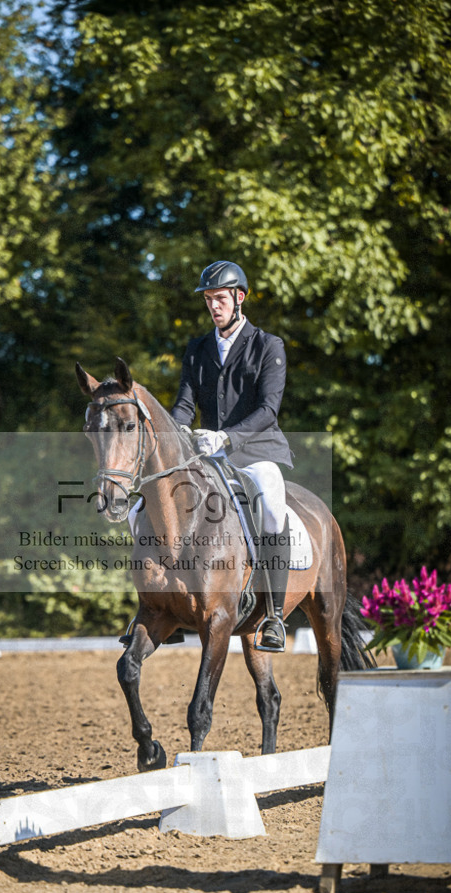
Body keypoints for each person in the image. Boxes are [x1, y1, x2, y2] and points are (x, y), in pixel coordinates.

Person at [170, 260, 293, 651]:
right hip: (206, 454)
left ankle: (273, 617)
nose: (213, 306)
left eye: (220, 298)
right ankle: (162, 605)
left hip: (255, 451)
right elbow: (185, 405)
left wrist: (225, 437)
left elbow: (268, 410)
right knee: (151, 504)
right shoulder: (199, 348)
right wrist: (175, 434)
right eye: (208, 299)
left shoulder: (267, 346)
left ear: (239, 298)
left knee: (272, 505)